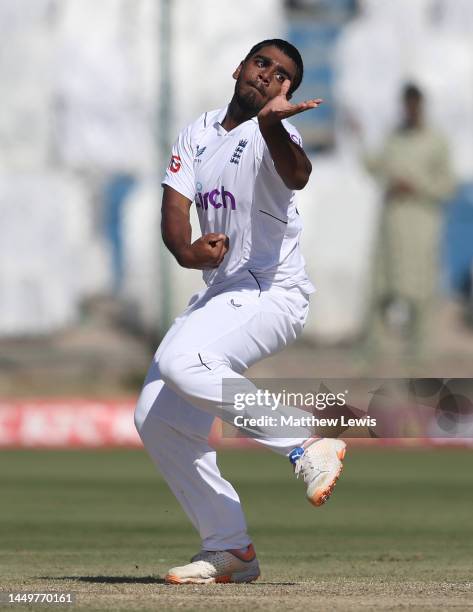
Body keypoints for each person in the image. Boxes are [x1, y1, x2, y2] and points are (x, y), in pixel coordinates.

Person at [134, 39, 346, 585]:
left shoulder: (274, 132)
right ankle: (230, 547)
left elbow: (297, 174)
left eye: (281, 76)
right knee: (156, 420)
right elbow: (174, 203)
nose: (268, 76)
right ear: (239, 68)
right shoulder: (199, 131)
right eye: (262, 64)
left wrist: (275, 125)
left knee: (184, 362)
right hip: (224, 290)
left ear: (285, 93)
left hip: (273, 290)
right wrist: (184, 251)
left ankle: (305, 443)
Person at [365, 83, 455, 357]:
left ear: (421, 106)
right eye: (406, 105)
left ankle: (419, 355)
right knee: (381, 285)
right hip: (392, 224)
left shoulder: (436, 141)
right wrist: (357, 137)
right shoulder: (394, 137)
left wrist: (416, 186)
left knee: (421, 289)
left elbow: (447, 185)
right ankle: (372, 352)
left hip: (421, 223)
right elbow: (377, 167)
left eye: (414, 105)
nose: (410, 110)